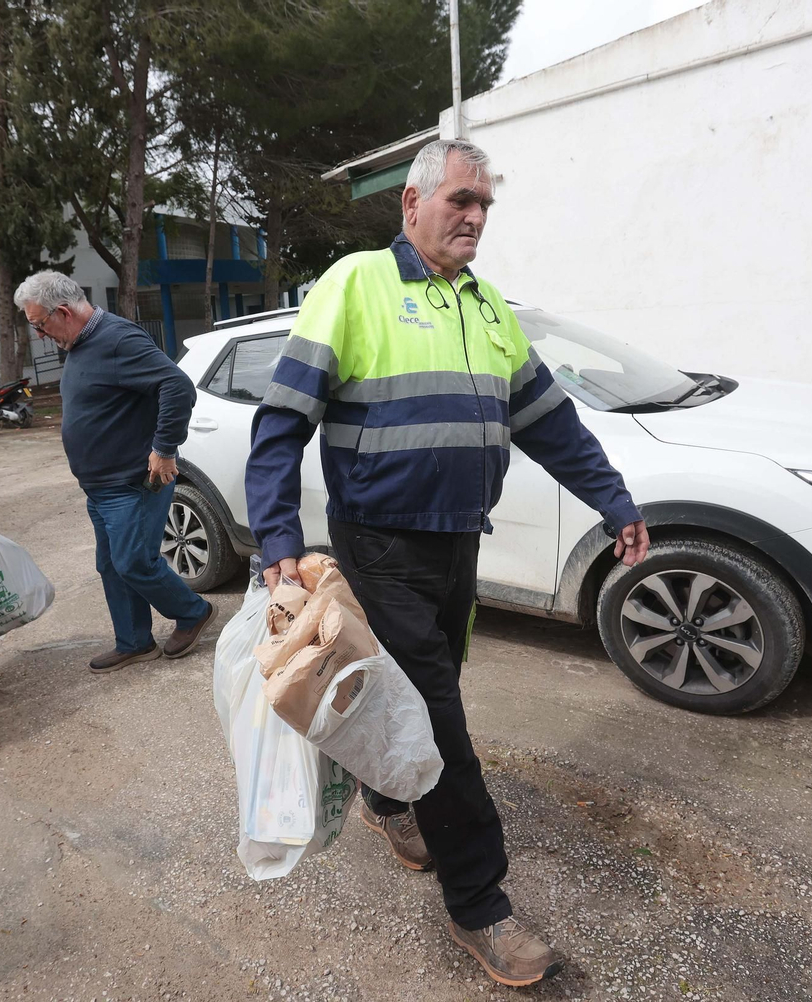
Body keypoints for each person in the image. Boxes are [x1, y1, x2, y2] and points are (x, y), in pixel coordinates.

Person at [244, 139, 650, 987]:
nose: (473, 217)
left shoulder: (487, 306)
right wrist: (277, 543)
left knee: (427, 693)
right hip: (381, 545)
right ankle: (480, 904)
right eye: (460, 200)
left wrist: (615, 502)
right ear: (412, 205)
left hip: (459, 539)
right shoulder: (355, 284)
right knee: (439, 722)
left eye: (484, 206)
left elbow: (551, 424)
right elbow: (280, 422)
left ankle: (389, 801)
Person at [13, 271, 216, 672]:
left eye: (39, 324)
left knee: (134, 562)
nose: (39, 334)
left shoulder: (119, 340)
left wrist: (164, 448)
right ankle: (135, 642)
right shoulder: (81, 343)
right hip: (101, 486)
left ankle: (193, 612)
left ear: (64, 312)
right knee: (111, 565)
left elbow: (177, 387)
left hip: (132, 484)